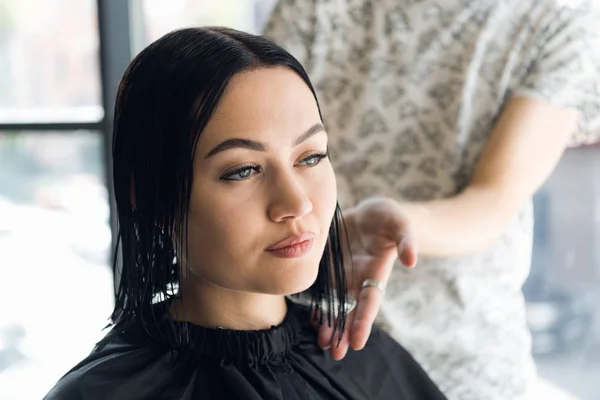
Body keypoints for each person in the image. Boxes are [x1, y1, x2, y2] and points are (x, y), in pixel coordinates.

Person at [43, 27, 447, 400]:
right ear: (149, 197)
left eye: (311, 157)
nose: (297, 204)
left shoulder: (368, 362)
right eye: (243, 170)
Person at [263, 0, 600, 399]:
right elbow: (256, 145)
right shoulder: (314, 7)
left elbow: (491, 201)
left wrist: (387, 226)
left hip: (456, 358)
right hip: (306, 342)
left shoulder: (554, 19)